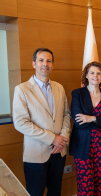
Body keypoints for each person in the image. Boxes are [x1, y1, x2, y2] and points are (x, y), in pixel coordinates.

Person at [13, 48, 71, 196]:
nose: (45, 64)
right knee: (35, 192)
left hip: (59, 152)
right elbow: (20, 122)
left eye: (48, 61)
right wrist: (52, 138)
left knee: (55, 191)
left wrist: (62, 139)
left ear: (53, 65)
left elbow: (66, 114)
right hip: (36, 153)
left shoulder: (59, 88)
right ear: (34, 64)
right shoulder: (22, 89)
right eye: (41, 60)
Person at [69, 62, 101, 196]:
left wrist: (92, 118)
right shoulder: (77, 94)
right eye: (92, 73)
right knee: (85, 186)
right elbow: (79, 123)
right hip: (83, 146)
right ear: (86, 75)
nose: (95, 76)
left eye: (98, 73)